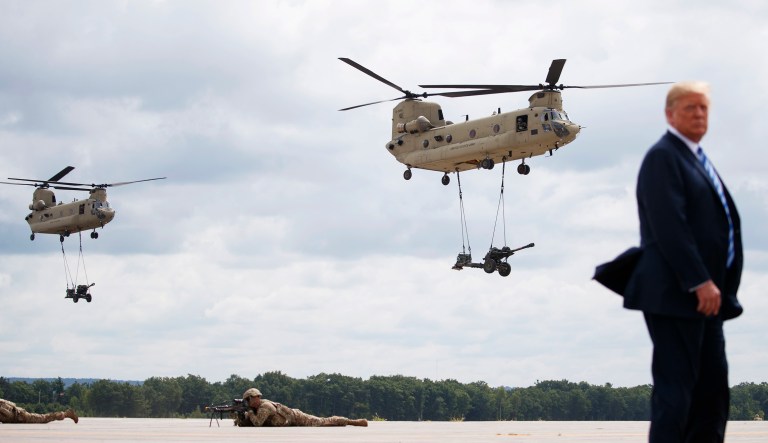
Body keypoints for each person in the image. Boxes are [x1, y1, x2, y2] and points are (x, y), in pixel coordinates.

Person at [623, 81, 743, 442]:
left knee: (712, 397)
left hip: (707, 301)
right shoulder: (664, 156)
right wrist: (698, 280)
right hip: (679, 295)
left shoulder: (695, 159)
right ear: (670, 114)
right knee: (675, 396)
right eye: (690, 108)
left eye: (703, 108)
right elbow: (668, 225)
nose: (699, 114)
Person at [234, 388, 367, 427]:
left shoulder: (265, 406)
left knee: (323, 422)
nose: (247, 402)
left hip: (296, 417)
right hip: (288, 421)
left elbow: (257, 423)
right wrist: (241, 418)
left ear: (254, 398)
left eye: (248, 400)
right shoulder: (256, 409)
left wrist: (249, 412)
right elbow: (250, 423)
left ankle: (351, 421)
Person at [0, 398, 78, 424]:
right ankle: (66, 414)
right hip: (20, 414)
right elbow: (12, 404)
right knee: (43, 418)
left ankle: (66, 414)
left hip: (20, 416)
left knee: (43, 418)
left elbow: (10, 416)